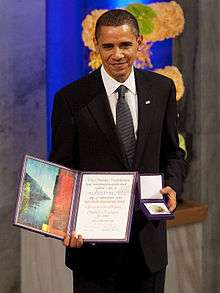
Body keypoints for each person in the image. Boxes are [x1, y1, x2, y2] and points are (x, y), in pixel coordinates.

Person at [49, 9, 186, 293]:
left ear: (139, 41)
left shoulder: (162, 89)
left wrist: (173, 185)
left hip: (148, 246)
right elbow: (62, 169)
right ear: (96, 45)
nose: (117, 54)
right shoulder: (70, 98)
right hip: (92, 249)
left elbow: (173, 153)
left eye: (125, 45)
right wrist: (65, 222)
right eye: (108, 46)